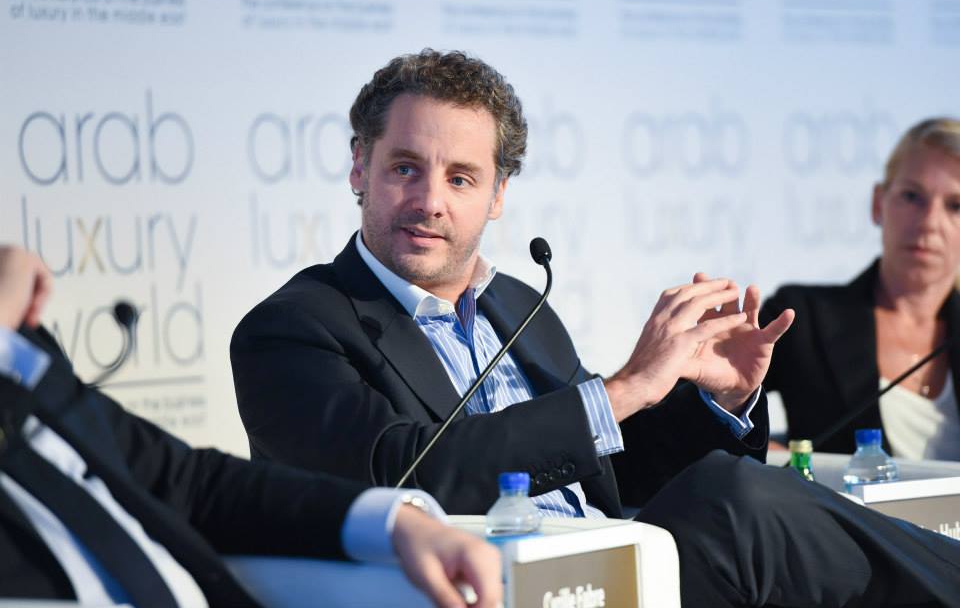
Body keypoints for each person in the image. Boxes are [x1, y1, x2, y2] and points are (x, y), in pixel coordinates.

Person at [231, 50, 960, 607]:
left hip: (619, 571)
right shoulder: (292, 329)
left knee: (732, 493)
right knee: (730, 503)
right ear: (359, 167)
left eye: (460, 177)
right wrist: (625, 388)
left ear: (498, 194)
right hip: (496, 588)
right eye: (404, 168)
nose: (430, 201)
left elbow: (612, 472)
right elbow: (401, 475)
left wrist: (715, 400)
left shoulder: (517, 306)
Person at [0, 246, 501, 607]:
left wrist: (398, 524)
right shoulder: (296, 322)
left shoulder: (19, 348)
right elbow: (397, 454)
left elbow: (187, 483)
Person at [761, 118, 960, 457]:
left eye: (955, 205)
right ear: (878, 204)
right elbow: (698, 420)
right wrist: (766, 457)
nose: (929, 223)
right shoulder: (801, 318)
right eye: (912, 196)